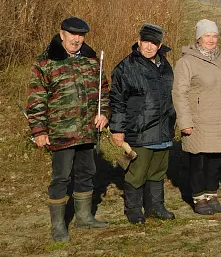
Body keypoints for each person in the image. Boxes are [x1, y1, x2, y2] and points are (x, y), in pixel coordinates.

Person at [26, 17, 109, 243]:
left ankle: (83, 217)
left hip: (87, 131)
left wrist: (104, 113)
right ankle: (59, 225)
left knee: (87, 173)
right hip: (60, 133)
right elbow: (36, 99)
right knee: (61, 178)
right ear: (61, 34)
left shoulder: (93, 61)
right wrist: (39, 130)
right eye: (72, 34)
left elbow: (103, 92)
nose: (77, 39)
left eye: (81, 35)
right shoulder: (45, 62)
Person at [109, 23, 176, 224]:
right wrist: (117, 129)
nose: (149, 47)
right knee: (136, 172)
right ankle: (134, 209)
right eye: (145, 42)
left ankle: (156, 207)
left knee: (157, 171)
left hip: (163, 129)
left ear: (160, 45)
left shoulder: (165, 65)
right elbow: (117, 101)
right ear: (138, 42)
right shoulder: (125, 68)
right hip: (138, 130)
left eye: (153, 43)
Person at [172, 19, 221, 216]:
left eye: (214, 36)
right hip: (198, 121)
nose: (211, 39)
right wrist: (185, 122)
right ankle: (199, 198)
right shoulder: (186, 62)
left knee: (216, 160)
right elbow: (178, 93)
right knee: (198, 162)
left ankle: (212, 195)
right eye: (207, 35)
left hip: (220, 119)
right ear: (198, 38)